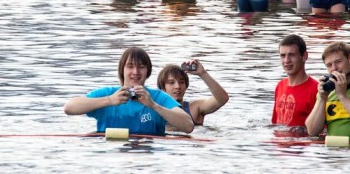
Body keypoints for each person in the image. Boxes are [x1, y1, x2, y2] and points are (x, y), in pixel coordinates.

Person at [63, 47, 194, 135]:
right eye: (130, 67)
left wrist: (153, 105)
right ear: (122, 70)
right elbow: (69, 107)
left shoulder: (157, 97)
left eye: (141, 67)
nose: (135, 72)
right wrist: (109, 100)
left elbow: (188, 126)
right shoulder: (108, 93)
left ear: (147, 72)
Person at [157, 59, 229, 127]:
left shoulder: (194, 108)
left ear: (186, 86)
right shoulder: (155, 110)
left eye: (181, 82)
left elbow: (222, 99)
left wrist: (203, 73)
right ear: (163, 88)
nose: (177, 86)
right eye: (171, 83)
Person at [272, 35, 318, 128]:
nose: (286, 60)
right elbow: (274, 124)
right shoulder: (280, 86)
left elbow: (322, 130)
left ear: (304, 56)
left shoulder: (317, 90)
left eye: (292, 55)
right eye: (283, 56)